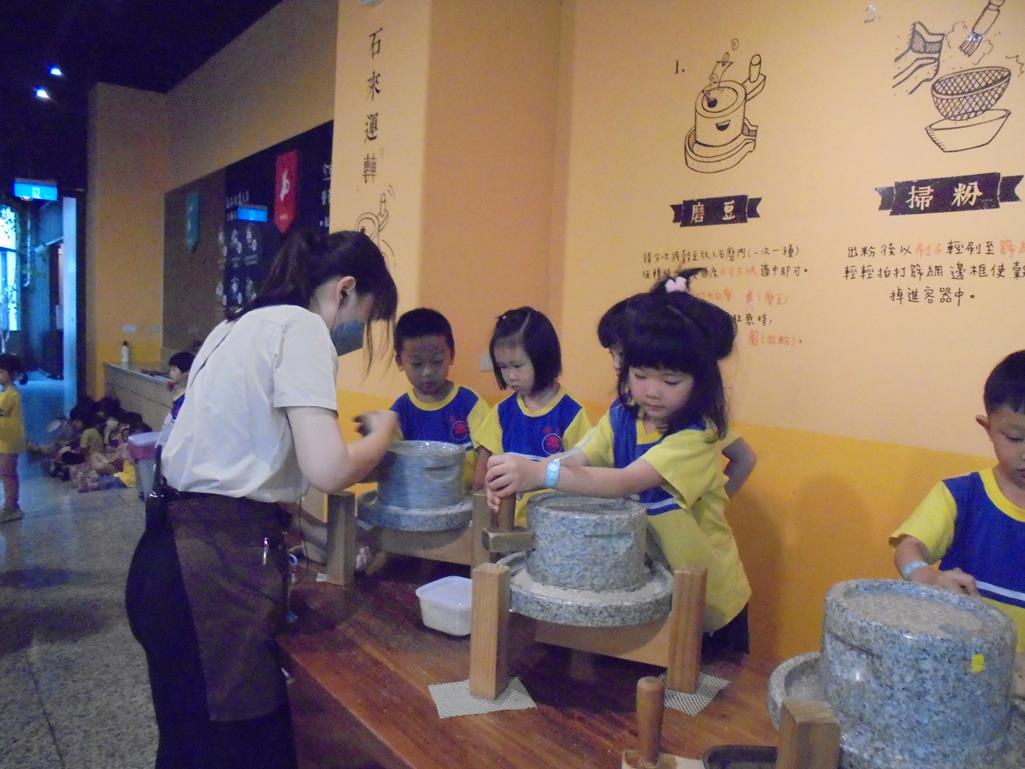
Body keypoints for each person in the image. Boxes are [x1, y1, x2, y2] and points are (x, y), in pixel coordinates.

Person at [124, 229, 399, 769]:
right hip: (208, 582)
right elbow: (329, 470)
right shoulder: (301, 328)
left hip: (165, 562)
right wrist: (383, 436)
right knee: (238, 750)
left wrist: (317, 534)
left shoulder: (235, 327)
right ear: (344, 290)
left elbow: (245, 472)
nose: (358, 334)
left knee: (187, 747)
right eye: (366, 318)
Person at [486, 291, 752, 653]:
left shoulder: (696, 436)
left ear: (702, 382)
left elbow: (625, 482)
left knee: (708, 683)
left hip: (710, 604)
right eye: (640, 375)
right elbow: (578, 456)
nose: (652, 392)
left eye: (671, 381)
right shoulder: (622, 416)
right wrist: (519, 476)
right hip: (651, 588)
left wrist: (539, 475)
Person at [891, 350, 1025, 660]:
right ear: (987, 428)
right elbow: (908, 548)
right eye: (1015, 438)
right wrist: (924, 575)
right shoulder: (961, 495)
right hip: (963, 665)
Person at [596, 269, 756, 497]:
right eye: (611, 354)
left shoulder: (696, 425)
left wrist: (713, 502)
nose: (616, 364)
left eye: (623, 354)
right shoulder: (624, 411)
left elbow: (744, 458)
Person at [474, 307, 591, 525]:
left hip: (556, 526)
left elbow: (584, 475)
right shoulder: (501, 412)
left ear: (543, 359)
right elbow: (486, 470)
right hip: (509, 524)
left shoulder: (572, 414)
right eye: (502, 367)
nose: (510, 376)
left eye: (517, 366)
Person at [390, 308, 488, 489]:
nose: (427, 372)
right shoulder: (399, 412)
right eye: (417, 364)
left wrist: (479, 489)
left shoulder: (469, 402)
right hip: (420, 500)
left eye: (437, 361)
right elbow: (390, 462)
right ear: (399, 362)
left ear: (451, 356)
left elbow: (487, 449)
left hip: (467, 498)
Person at [0, 353, 26, 522]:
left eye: (1, 372)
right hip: (4, 440)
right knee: (5, 473)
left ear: (13, 374)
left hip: (9, 442)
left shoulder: (11, 394)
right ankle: (11, 505)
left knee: (8, 474)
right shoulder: (6, 393)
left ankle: (12, 507)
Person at [157, 350, 196, 446]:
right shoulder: (180, 387)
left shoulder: (191, 392)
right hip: (171, 425)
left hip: (180, 429)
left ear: (187, 372)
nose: (171, 373)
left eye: (174, 370)